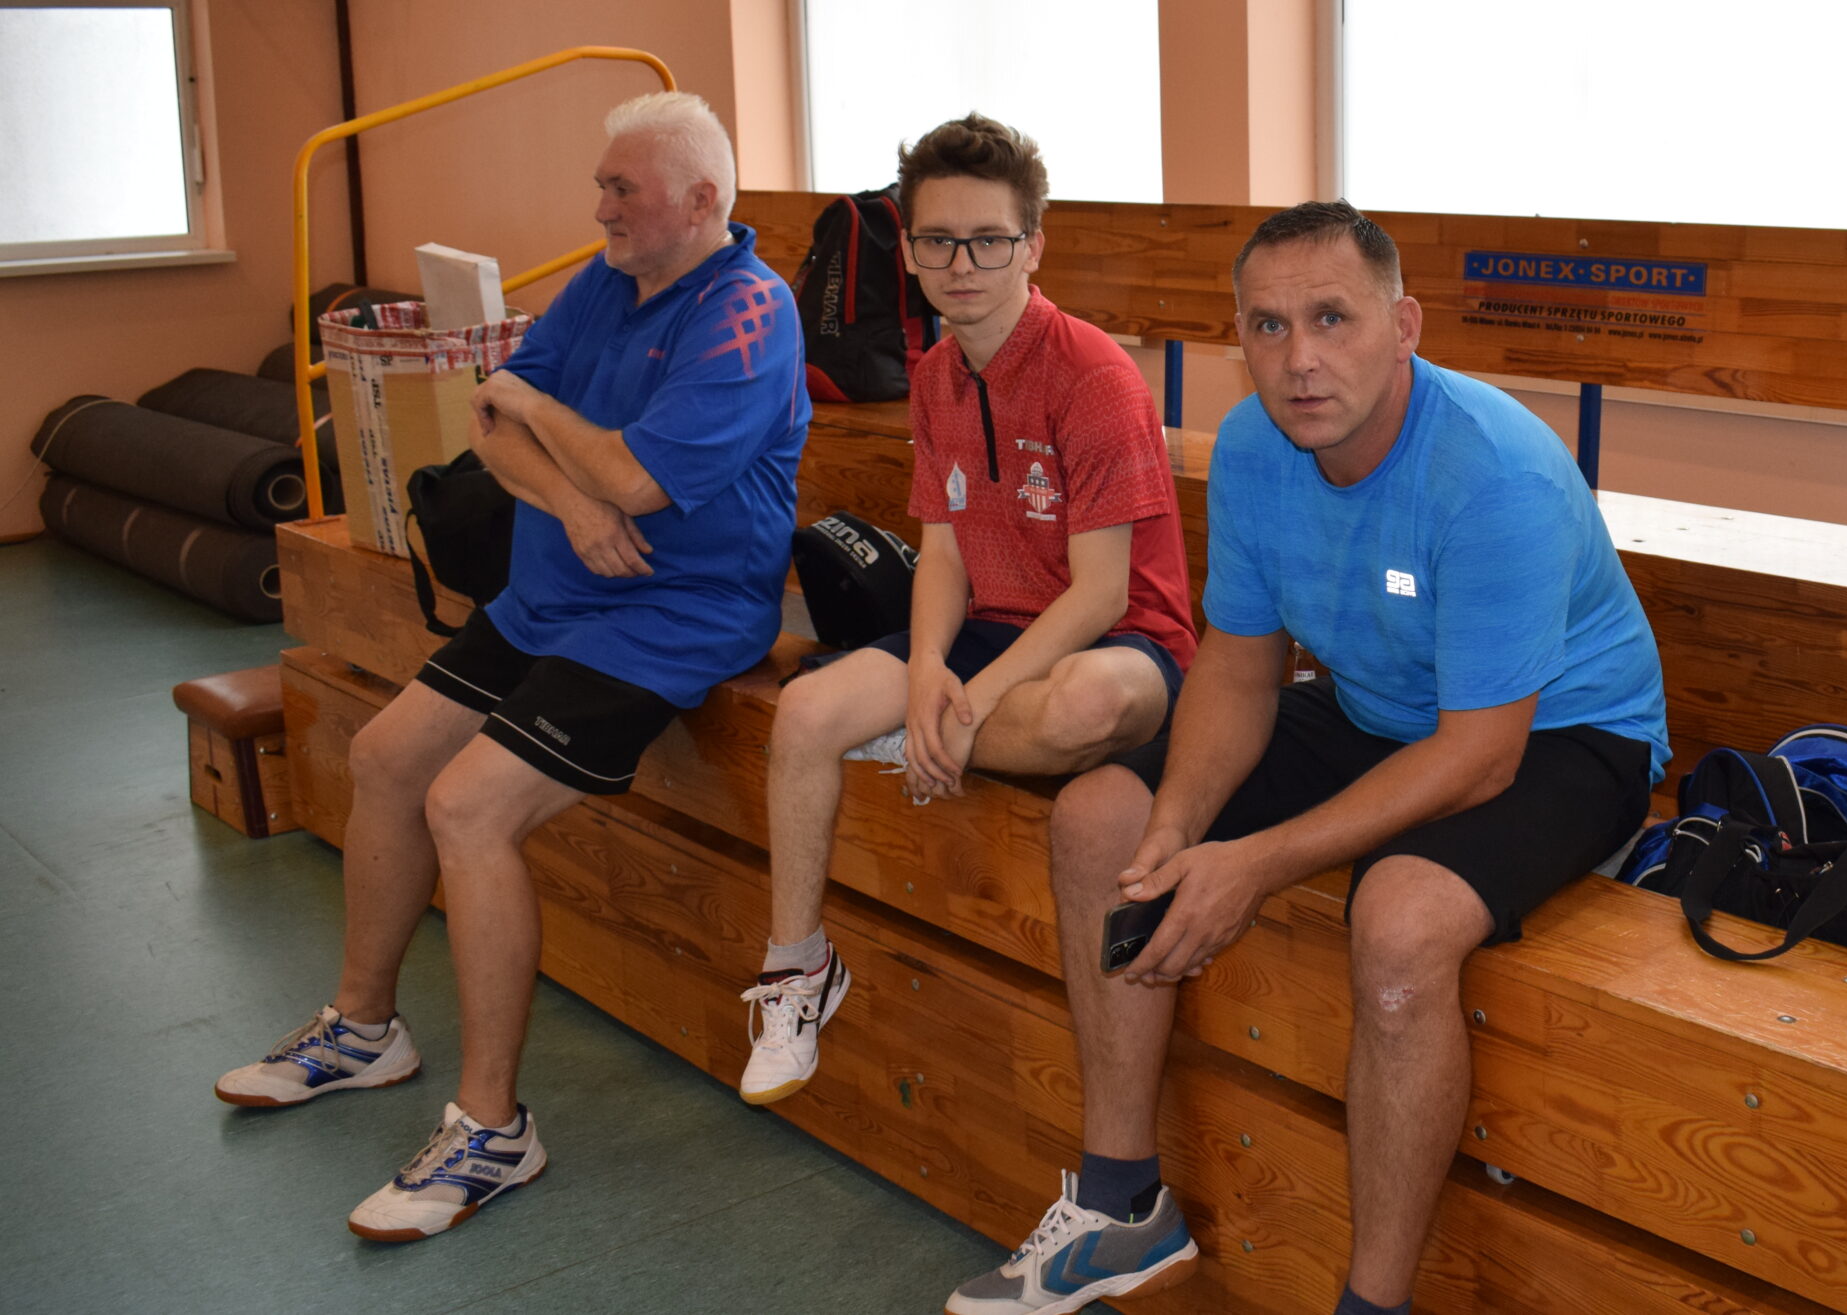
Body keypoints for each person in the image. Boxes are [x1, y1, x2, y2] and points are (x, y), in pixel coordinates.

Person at [947, 200, 1668, 1315]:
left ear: (1403, 326)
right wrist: (1178, 826)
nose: (1300, 360)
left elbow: (1480, 757)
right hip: (1379, 705)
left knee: (1399, 921)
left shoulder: (1494, 474)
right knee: (1101, 821)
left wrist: (1255, 862)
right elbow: (1239, 669)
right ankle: (1122, 1208)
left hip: (1564, 734)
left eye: (1332, 318)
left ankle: (1373, 1303)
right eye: (1269, 327)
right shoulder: (1253, 447)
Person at [214, 93, 810, 1242]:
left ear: (700, 200)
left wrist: (553, 430)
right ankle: (364, 1028)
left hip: (674, 614)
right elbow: (490, 426)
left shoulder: (748, 310)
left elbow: (634, 478)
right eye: (601, 186)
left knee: (468, 806)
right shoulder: (608, 281)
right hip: (555, 591)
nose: (600, 210)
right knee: (386, 756)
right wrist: (571, 501)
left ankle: (492, 1128)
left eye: (621, 189)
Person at [737, 114, 1195, 1106]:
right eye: (939, 240)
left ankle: (913, 739)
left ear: (1033, 247)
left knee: (1081, 707)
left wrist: (966, 701)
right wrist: (929, 669)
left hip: (1121, 644)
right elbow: (941, 550)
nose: (962, 264)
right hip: (993, 626)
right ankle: (797, 967)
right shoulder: (937, 374)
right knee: (805, 714)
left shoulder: (1092, 375)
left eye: (989, 240)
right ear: (906, 251)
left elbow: (1103, 593)